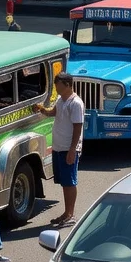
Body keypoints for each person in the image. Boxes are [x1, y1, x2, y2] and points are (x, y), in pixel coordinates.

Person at [33, 72, 84, 227]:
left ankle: (71, 215)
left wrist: (72, 150)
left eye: (58, 85)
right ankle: (66, 213)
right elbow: (53, 113)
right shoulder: (61, 100)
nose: (56, 88)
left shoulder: (75, 103)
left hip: (69, 149)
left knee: (70, 182)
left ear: (68, 85)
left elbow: (77, 127)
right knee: (64, 183)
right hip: (58, 148)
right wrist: (42, 109)